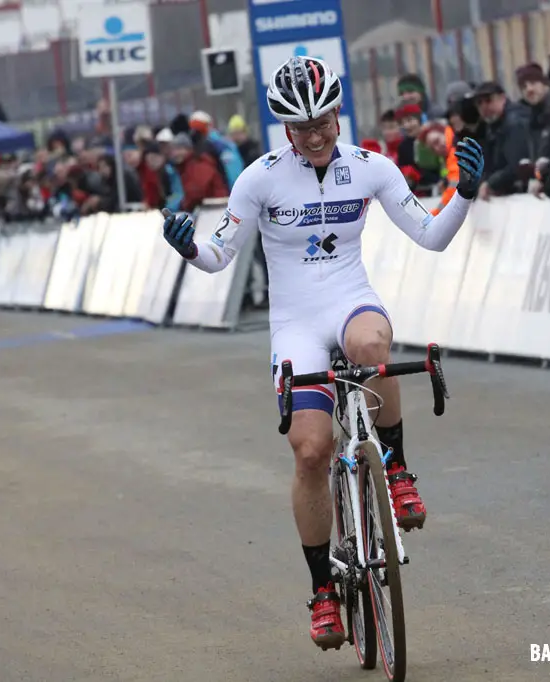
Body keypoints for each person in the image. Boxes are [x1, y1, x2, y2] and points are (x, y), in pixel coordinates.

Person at [160, 55, 484, 650]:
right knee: (310, 450)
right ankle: (323, 592)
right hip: (295, 321)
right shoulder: (258, 178)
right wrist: (189, 250)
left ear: (339, 113)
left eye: (324, 122)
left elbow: (431, 236)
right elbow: (219, 255)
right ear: (284, 128)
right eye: (301, 127)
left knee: (371, 344)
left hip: (349, 298)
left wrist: (465, 193)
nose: (314, 135)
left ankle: (396, 469)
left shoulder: (371, 167)